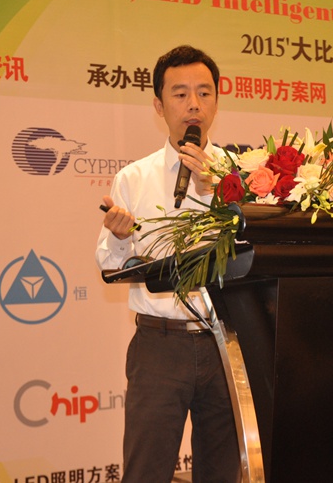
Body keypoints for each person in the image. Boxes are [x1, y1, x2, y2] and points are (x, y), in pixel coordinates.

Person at [95, 45, 241, 483]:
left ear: (217, 100)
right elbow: (110, 263)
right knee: (147, 471)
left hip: (226, 342)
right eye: (180, 94)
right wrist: (120, 237)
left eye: (204, 92)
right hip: (159, 346)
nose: (194, 104)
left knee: (222, 471)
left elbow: (253, 252)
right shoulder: (134, 177)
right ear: (159, 106)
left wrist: (216, 192)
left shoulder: (243, 174)